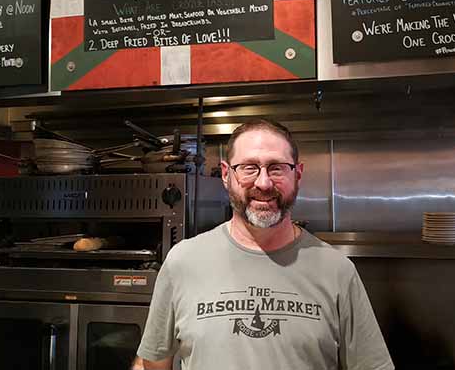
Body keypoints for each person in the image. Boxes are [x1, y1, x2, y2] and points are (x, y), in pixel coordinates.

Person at [134, 119, 394, 370]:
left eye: (277, 167)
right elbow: (154, 362)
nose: (264, 183)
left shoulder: (338, 271)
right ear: (226, 174)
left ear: (298, 174)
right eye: (249, 167)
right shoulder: (183, 262)